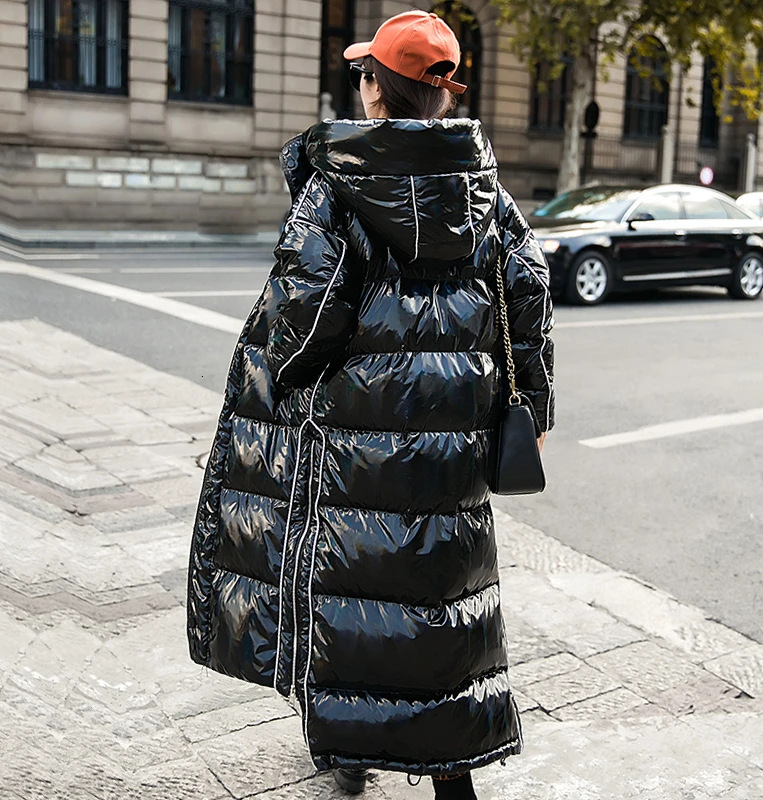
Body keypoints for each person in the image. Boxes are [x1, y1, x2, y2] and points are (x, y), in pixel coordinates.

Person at [186, 10, 554, 800]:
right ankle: (452, 781)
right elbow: (530, 293)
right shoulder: (484, 188)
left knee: (350, 592)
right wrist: (537, 406)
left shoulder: (340, 184)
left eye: (364, 74)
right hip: (453, 443)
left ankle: (350, 750)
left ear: (378, 93)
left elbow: (304, 324)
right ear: (442, 94)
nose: (359, 86)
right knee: (439, 597)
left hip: (356, 440)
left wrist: (280, 376)